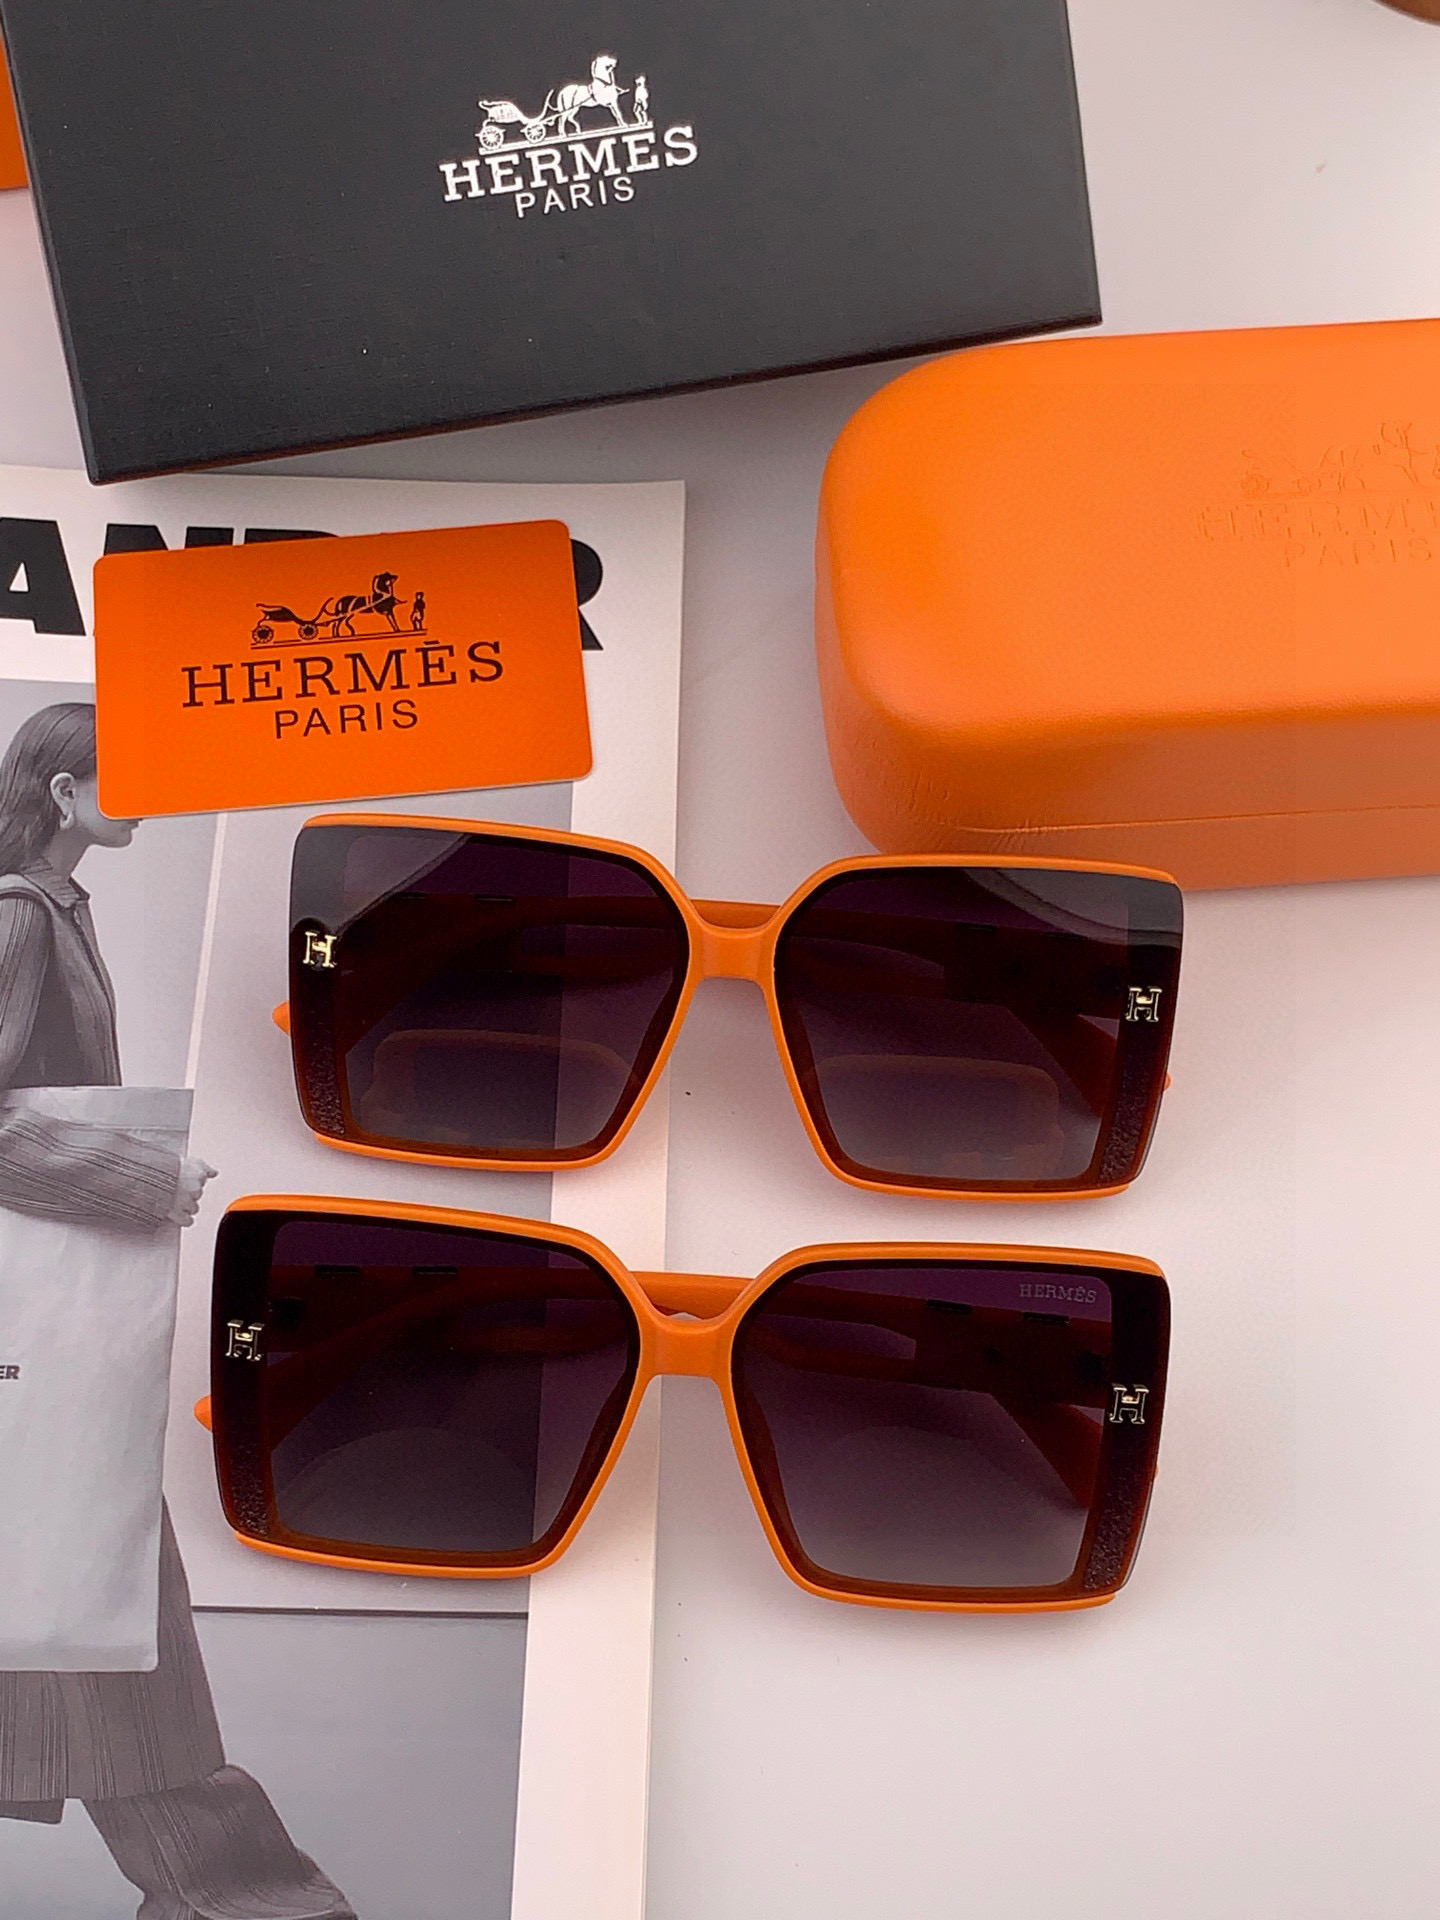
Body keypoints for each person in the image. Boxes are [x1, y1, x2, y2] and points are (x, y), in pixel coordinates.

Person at [0, 704, 356, 1920]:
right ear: (62, 791)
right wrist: (142, 1176)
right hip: (34, 1345)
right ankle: (244, 1897)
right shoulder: (18, 916)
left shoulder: (53, 908)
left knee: (79, 1592)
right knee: (98, 1584)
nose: (148, 797)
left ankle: (234, 1893)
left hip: (36, 1343)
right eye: (129, 776)